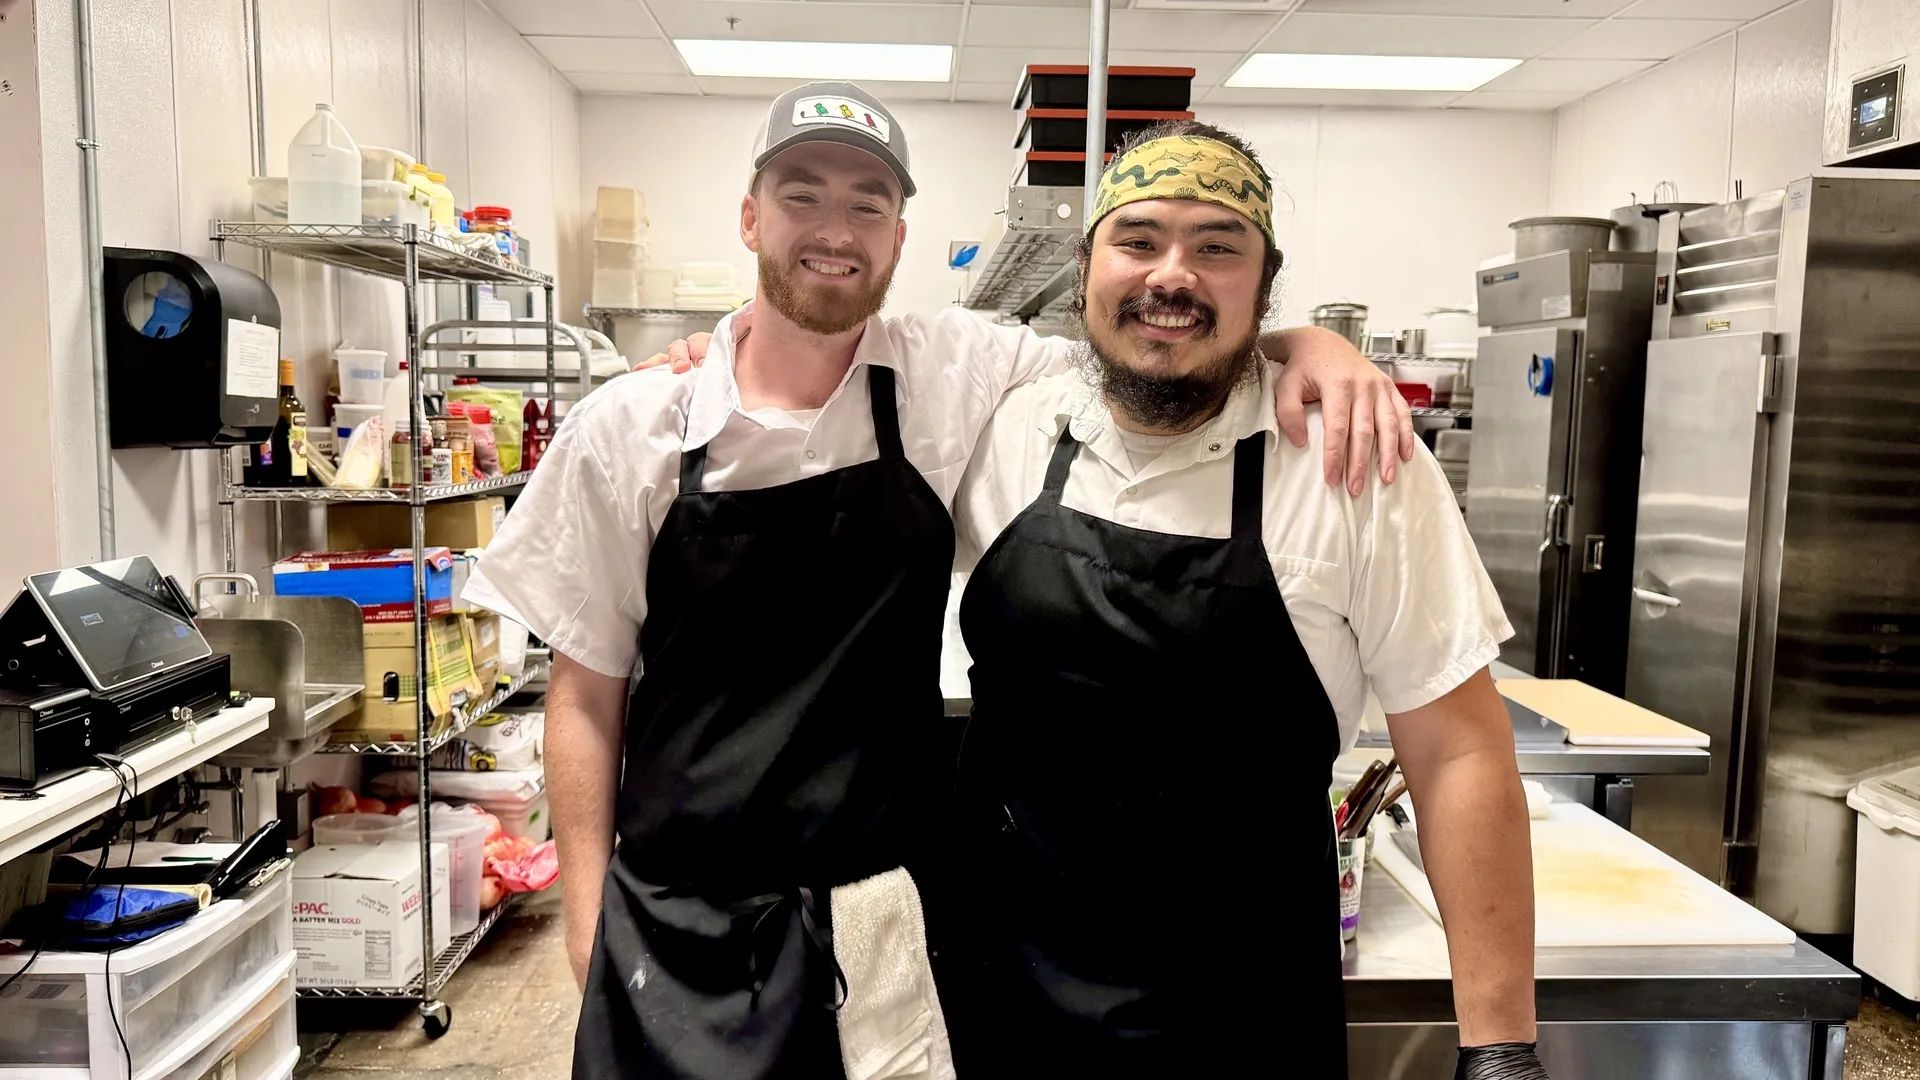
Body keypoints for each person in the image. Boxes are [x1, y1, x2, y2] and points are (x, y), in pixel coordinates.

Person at [466, 83, 1407, 1079]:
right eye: (802, 195)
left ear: (900, 232)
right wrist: (584, 922)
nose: (835, 231)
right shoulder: (630, 428)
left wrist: (1304, 342)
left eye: (867, 203)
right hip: (678, 922)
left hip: (882, 920)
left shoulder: (947, 374)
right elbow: (584, 693)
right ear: (750, 216)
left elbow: (1154, 341)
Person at [927, 121, 1548, 1079]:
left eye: (1217, 247)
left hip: (1238, 1008)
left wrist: (1499, 1043)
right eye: (1137, 240)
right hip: (995, 985)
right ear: (1087, 267)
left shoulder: (1357, 463)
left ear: (1264, 286)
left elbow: (1458, 744)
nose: (1171, 275)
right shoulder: (1008, 427)